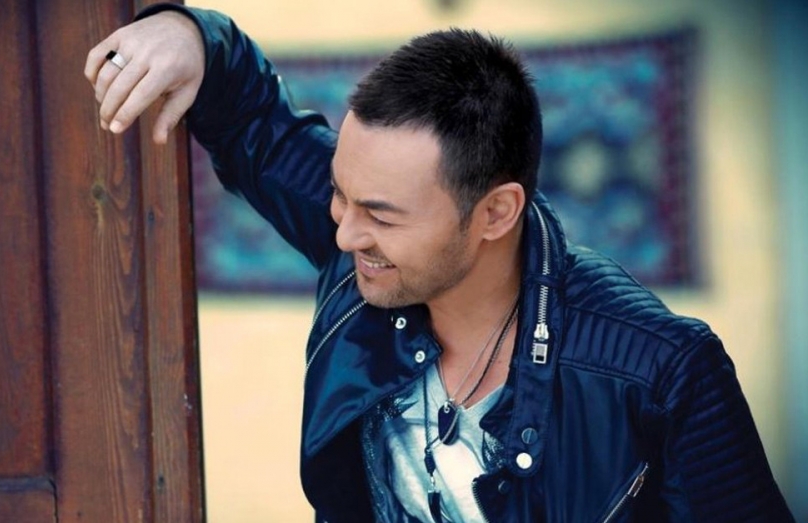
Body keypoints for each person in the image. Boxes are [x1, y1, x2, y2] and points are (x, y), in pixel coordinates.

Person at [85, 4, 794, 522]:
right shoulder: (362, 250)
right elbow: (251, 119)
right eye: (340, 195)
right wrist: (184, 31)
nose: (344, 236)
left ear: (495, 213)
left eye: (381, 214)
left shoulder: (665, 369)